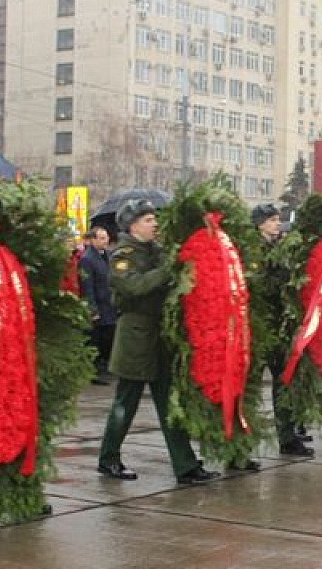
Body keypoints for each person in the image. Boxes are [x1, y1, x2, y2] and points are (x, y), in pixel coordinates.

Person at [96, 200, 219, 484]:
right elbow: (134, 286)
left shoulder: (158, 252)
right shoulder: (123, 256)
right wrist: (168, 269)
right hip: (136, 336)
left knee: (169, 404)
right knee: (125, 403)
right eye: (149, 219)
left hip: (161, 336)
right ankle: (108, 458)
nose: (155, 224)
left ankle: (185, 465)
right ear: (132, 225)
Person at [248, 203, 314, 459]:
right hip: (259, 327)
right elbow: (259, 287)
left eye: (278, 219)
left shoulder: (279, 247)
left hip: (279, 326)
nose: (278, 223)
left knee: (283, 382)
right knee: (251, 388)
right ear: (260, 223)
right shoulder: (252, 250)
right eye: (273, 220)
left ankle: (287, 437)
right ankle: (244, 444)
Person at [78, 226, 118, 386]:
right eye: (101, 238)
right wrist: (92, 308)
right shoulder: (87, 259)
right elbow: (87, 286)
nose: (105, 241)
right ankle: (94, 371)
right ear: (93, 240)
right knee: (96, 339)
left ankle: (104, 365)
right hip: (98, 304)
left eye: (106, 237)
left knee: (108, 336)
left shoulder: (108, 256)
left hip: (110, 304)